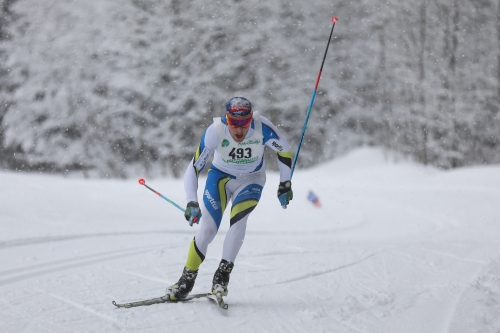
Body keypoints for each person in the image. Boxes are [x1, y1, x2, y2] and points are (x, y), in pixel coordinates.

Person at [165, 96, 294, 300]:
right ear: (227, 119)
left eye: (245, 123)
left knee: (238, 220)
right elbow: (194, 167)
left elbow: (284, 150)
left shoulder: (262, 127)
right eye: (235, 123)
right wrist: (191, 201)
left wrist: (285, 184)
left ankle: (221, 277)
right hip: (220, 178)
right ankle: (186, 280)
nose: (240, 130)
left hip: (251, 179)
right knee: (207, 229)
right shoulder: (215, 132)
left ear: (251, 119)